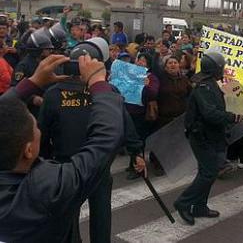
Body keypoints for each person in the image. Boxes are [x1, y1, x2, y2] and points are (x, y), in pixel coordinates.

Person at [0, 54, 126, 242]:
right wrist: (99, 83)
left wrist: (32, 83)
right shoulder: (47, 188)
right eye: (35, 128)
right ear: (28, 150)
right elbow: (105, 141)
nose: (39, 129)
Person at [38, 49, 145, 243]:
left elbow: (42, 134)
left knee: (71, 217)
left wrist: (45, 163)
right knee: (100, 216)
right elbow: (124, 124)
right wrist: (136, 151)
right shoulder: (107, 92)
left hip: (67, 168)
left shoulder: (53, 94)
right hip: (96, 166)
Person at [174, 51, 241, 226]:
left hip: (212, 135)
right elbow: (210, 113)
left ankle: (200, 207)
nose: (223, 69)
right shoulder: (204, 86)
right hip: (202, 136)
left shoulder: (210, 83)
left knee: (207, 172)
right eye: (222, 67)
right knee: (209, 172)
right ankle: (183, 202)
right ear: (215, 68)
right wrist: (231, 117)